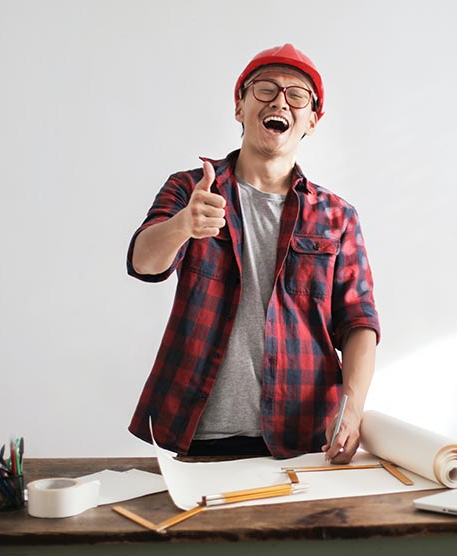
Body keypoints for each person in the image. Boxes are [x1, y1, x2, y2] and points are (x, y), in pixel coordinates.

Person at [127, 44, 380, 463]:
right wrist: (183, 225)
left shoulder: (337, 216)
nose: (279, 101)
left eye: (296, 95)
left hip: (305, 438)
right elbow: (143, 262)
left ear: (312, 120)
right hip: (202, 435)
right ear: (239, 107)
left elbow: (359, 322)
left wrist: (352, 411)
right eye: (265, 89)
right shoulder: (193, 190)